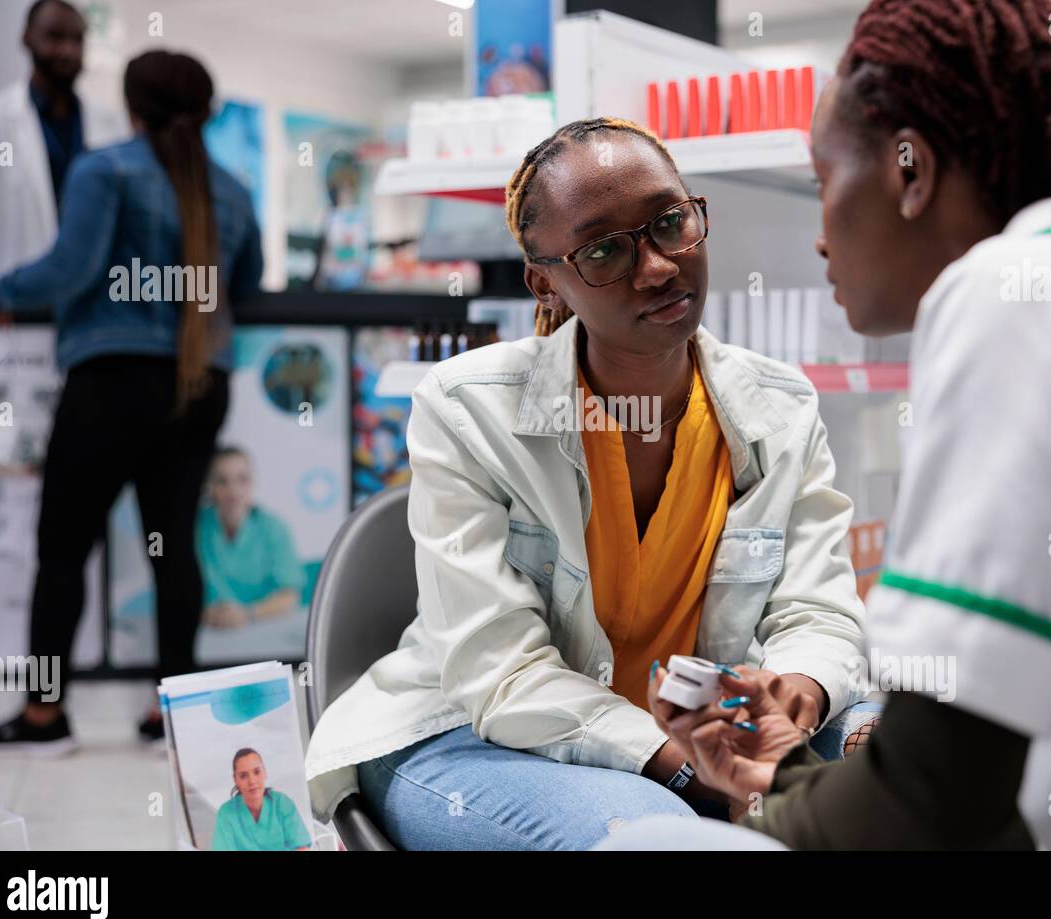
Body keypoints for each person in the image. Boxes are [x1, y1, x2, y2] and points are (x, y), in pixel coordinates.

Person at [616, 0, 1051, 851]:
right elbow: (974, 767)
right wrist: (790, 774)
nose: (820, 236)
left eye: (825, 182)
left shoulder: (1013, 298)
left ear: (910, 171)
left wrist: (764, 808)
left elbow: (931, 807)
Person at [304, 116, 883, 850]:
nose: (658, 267)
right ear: (544, 280)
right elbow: (501, 675)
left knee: (892, 759)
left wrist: (790, 700)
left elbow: (818, 612)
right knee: (665, 838)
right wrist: (695, 771)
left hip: (708, 724)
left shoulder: (781, 406)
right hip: (477, 735)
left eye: (670, 223)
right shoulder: (467, 409)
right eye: (604, 250)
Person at [0, 50, 263, 753]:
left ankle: (44, 717)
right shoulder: (232, 190)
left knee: (63, 549)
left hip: (112, 382)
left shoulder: (104, 170)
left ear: (133, 108)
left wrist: (2, 290)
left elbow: (70, 268)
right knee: (174, 549)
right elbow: (248, 284)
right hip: (200, 385)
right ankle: (174, 715)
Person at [0, 0, 124, 288]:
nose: (68, 50)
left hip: (92, 297)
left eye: (77, 39)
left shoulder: (111, 125)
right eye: (55, 37)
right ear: (27, 38)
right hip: (11, 299)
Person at [196, 446, 305, 629]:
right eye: (222, 481)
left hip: (261, 628)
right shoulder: (195, 526)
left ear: (253, 483)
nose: (233, 490)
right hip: (207, 629)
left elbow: (290, 595)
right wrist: (203, 613)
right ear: (210, 486)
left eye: (242, 479)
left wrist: (248, 614)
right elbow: (175, 585)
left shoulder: (274, 529)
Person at [212, 748, 312, 851]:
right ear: (235, 780)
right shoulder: (226, 814)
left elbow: (301, 847)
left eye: (256, 772)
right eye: (243, 776)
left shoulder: (282, 804)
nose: (252, 781)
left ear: (265, 772)